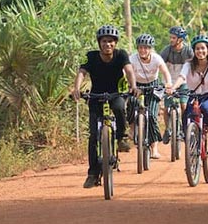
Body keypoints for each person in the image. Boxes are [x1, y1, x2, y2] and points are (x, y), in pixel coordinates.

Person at [72, 24, 138, 189]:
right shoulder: (91, 56)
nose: (107, 44)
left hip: (115, 93)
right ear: (99, 43)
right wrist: (76, 89)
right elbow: (82, 72)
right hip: (96, 96)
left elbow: (129, 70)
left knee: (119, 108)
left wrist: (133, 86)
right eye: (104, 41)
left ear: (115, 43)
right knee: (94, 136)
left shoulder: (121, 55)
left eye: (110, 41)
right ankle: (93, 173)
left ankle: (122, 137)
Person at [169, 34, 208, 141]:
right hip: (194, 97)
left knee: (205, 107)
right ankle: (188, 138)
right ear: (194, 51)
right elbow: (181, 77)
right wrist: (173, 88)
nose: (200, 51)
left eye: (202, 48)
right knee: (187, 115)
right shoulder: (188, 65)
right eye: (197, 49)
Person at [131, 33, 173, 159]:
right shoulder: (132, 59)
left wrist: (169, 83)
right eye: (140, 47)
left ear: (150, 49)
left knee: (152, 116)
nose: (143, 50)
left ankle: (154, 148)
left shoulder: (156, 58)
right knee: (130, 104)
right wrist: (130, 85)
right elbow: (125, 72)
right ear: (137, 48)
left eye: (146, 48)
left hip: (153, 86)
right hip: (137, 85)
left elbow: (165, 72)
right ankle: (132, 129)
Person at [158, 26, 193, 143]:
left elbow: (194, 64)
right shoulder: (166, 50)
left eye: (173, 38)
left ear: (180, 40)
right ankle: (168, 129)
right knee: (167, 108)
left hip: (183, 82)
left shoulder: (188, 51)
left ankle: (183, 127)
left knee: (184, 105)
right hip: (169, 82)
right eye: (170, 37)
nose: (171, 40)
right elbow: (159, 63)